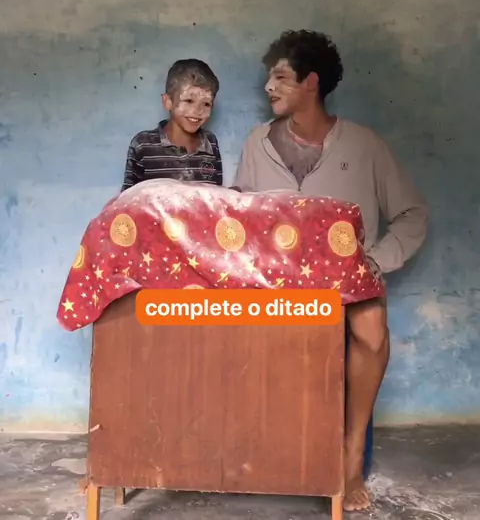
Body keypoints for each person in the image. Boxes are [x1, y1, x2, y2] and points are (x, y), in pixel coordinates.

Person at [232, 30, 428, 512]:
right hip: (277, 286)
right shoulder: (257, 143)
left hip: (345, 284)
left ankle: (350, 455)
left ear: (311, 83)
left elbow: (412, 215)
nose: (269, 87)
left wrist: (373, 261)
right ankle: (267, 449)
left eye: (281, 77)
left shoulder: (363, 145)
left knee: (371, 328)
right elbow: (240, 216)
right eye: (269, 78)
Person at [121, 58, 222, 191]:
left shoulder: (210, 143)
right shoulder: (143, 145)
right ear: (168, 102)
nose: (198, 111)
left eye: (206, 104)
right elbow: (128, 198)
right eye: (189, 101)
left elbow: (216, 196)